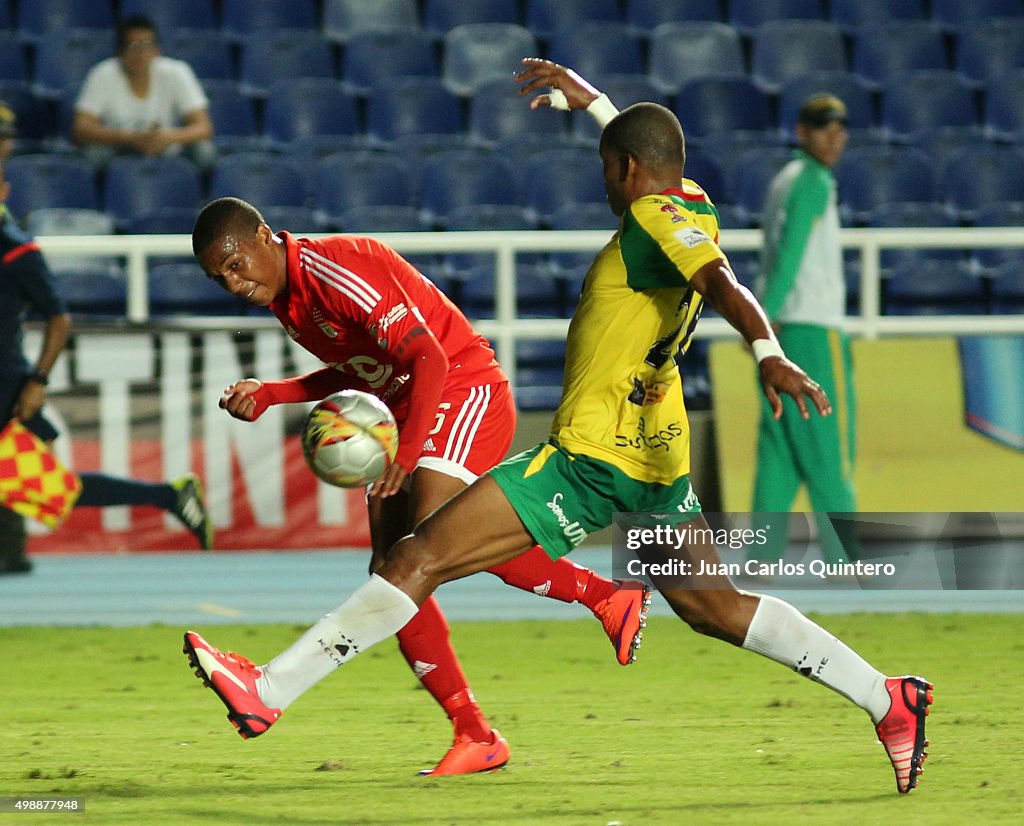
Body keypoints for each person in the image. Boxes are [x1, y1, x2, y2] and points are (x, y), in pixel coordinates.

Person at [183, 61, 933, 794]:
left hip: (588, 454)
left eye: (609, 170)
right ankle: (885, 696)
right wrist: (597, 105)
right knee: (717, 608)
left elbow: (719, 281)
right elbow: (663, 182)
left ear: (627, 172)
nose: (605, 184)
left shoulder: (648, 217)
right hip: (655, 453)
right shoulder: (691, 201)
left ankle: (270, 689)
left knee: (416, 558)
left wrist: (766, 350)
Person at [186, 199, 651, 775]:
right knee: (395, 567)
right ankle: (476, 730)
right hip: (407, 409)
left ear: (262, 236)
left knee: (432, 547)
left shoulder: (334, 272)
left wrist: (405, 457)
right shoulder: (289, 298)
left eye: (235, 265)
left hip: (461, 388)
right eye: (218, 278)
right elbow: (363, 365)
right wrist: (275, 392)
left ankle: (601, 597)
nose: (233, 283)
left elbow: (427, 355)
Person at [0, 160, 213, 573]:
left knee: (56, 489)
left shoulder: (17, 251)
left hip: (8, 394)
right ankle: (12, 557)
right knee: (29, 488)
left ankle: (170, 495)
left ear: (5, 192)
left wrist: (37, 381)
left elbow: (59, 319)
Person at [752, 94, 858, 566]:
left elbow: (774, 253)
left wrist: (760, 326)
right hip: (812, 327)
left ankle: (762, 556)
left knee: (779, 447)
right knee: (826, 446)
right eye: (824, 129)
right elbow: (792, 253)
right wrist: (769, 313)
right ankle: (847, 558)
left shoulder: (784, 180)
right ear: (802, 132)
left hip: (778, 330)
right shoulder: (814, 181)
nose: (835, 138)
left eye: (839, 128)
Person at [70, 15, 215, 172]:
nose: (141, 54)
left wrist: (169, 137)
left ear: (157, 50)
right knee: (94, 154)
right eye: (133, 46)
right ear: (120, 51)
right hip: (118, 148)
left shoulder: (177, 72)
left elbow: (204, 127)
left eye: (147, 46)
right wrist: (130, 138)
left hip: (166, 146)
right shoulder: (103, 73)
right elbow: (81, 128)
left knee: (205, 151)